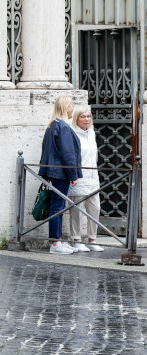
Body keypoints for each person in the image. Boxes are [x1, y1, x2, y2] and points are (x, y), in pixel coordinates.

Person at [38, 94, 81, 255]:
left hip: (54, 172)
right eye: (71, 106)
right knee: (57, 207)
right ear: (65, 107)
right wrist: (73, 174)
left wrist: (45, 172)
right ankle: (55, 243)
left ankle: (58, 241)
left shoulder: (52, 125)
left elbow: (46, 150)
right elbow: (67, 153)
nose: (72, 109)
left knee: (58, 206)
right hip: (61, 173)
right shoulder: (62, 126)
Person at [68, 105, 103, 252]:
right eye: (83, 117)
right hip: (79, 177)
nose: (86, 119)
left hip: (93, 177)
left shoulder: (92, 133)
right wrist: (73, 174)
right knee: (76, 209)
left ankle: (92, 239)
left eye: (88, 116)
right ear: (77, 119)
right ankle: (76, 239)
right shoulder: (72, 134)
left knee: (95, 208)